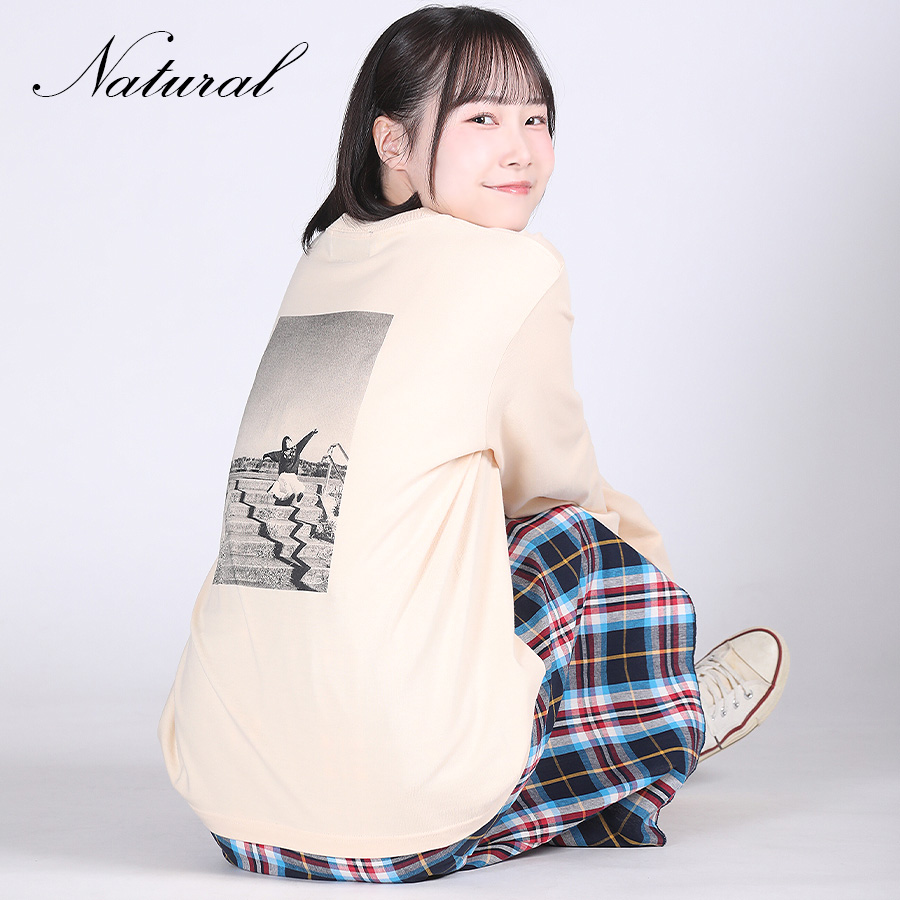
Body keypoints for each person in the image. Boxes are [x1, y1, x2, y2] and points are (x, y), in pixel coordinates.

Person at [158, 4, 789, 883]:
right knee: (576, 544)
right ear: (392, 140)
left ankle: (615, 717)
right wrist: (658, 604)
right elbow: (557, 489)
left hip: (227, 797)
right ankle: (666, 714)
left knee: (432, 539)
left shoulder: (326, 254)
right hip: (400, 822)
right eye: (482, 118)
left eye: (537, 118)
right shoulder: (513, 268)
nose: (522, 150)